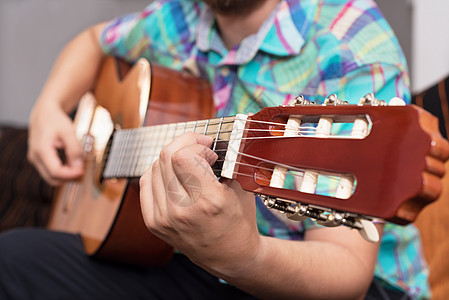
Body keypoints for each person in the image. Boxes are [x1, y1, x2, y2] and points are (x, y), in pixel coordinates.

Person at [0, 0, 430, 299]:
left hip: (317, 276)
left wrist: (245, 255)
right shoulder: (181, 16)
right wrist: (49, 108)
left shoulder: (351, 44)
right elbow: (94, 41)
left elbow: (347, 274)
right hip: (192, 261)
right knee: (12, 260)